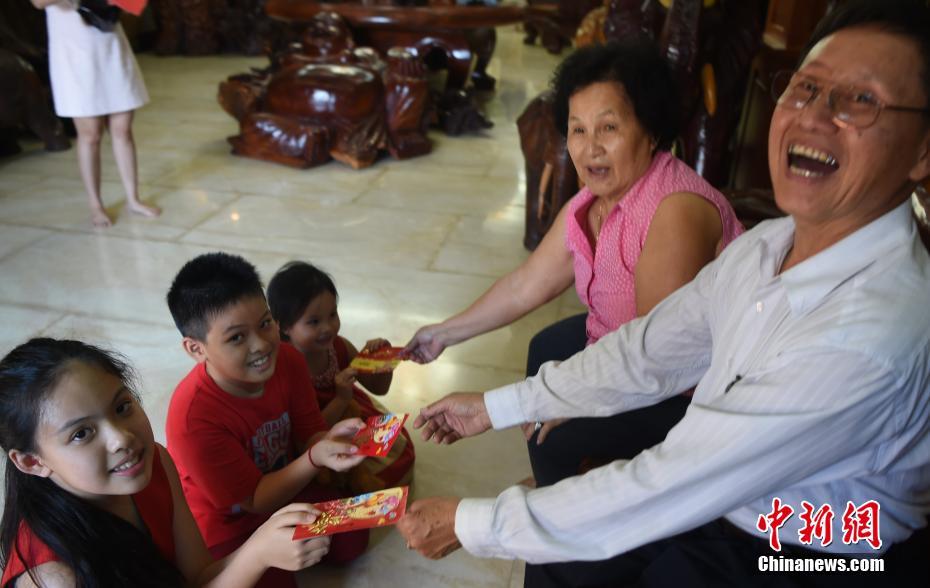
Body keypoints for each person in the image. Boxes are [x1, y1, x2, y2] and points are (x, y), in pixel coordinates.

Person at [398, 1, 930, 586]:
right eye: (805, 87)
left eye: (862, 100)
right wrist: (498, 406)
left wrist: (473, 522)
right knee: (563, 550)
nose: (814, 117)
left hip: (817, 547)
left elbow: (677, 477)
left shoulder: (869, 334)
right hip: (729, 492)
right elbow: (650, 348)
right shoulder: (771, 244)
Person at [405, 38, 744, 488]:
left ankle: (570, 517)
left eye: (609, 128)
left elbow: (655, 358)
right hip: (629, 356)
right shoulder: (591, 203)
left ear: (652, 131)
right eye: (578, 130)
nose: (590, 149)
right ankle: (560, 485)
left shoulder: (675, 210)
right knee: (546, 347)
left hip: (687, 391)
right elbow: (524, 286)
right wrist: (442, 334)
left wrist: (567, 399)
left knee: (560, 436)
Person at [0, 338, 330, 588]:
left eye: (122, 407)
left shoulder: (154, 461)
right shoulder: (54, 578)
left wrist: (261, 550)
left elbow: (199, 576)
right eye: (82, 433)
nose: (122, 439)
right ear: (31, 462)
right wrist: (256, 553)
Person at [165, 252, 369, 588]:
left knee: (353, 538)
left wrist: (328, 440)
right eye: (236, 337)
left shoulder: (288, 359)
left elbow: (310, 434)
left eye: (265, 323)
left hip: (286, 486)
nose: (262, 345)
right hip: (230, 523)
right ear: (196, 349)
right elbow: (254, 500)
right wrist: (315, 457)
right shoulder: (192, 418)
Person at [267, 261, 415, 494]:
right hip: (317, 435)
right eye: (314, 322)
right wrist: (341, 400)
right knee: (329, 482)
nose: (328, 327)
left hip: (352, 415)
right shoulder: (283, 368)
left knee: (398, 453)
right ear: (284, 327)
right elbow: (304, 437)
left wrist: (379, 362)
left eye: (333, 314)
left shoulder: (339, 347)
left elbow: (379, 389)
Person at [30, 0, 160, 227]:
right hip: (74, 48)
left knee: (123, 128)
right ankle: (95, 205)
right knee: (90, 134)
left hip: (109, 40)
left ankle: (133, 199)